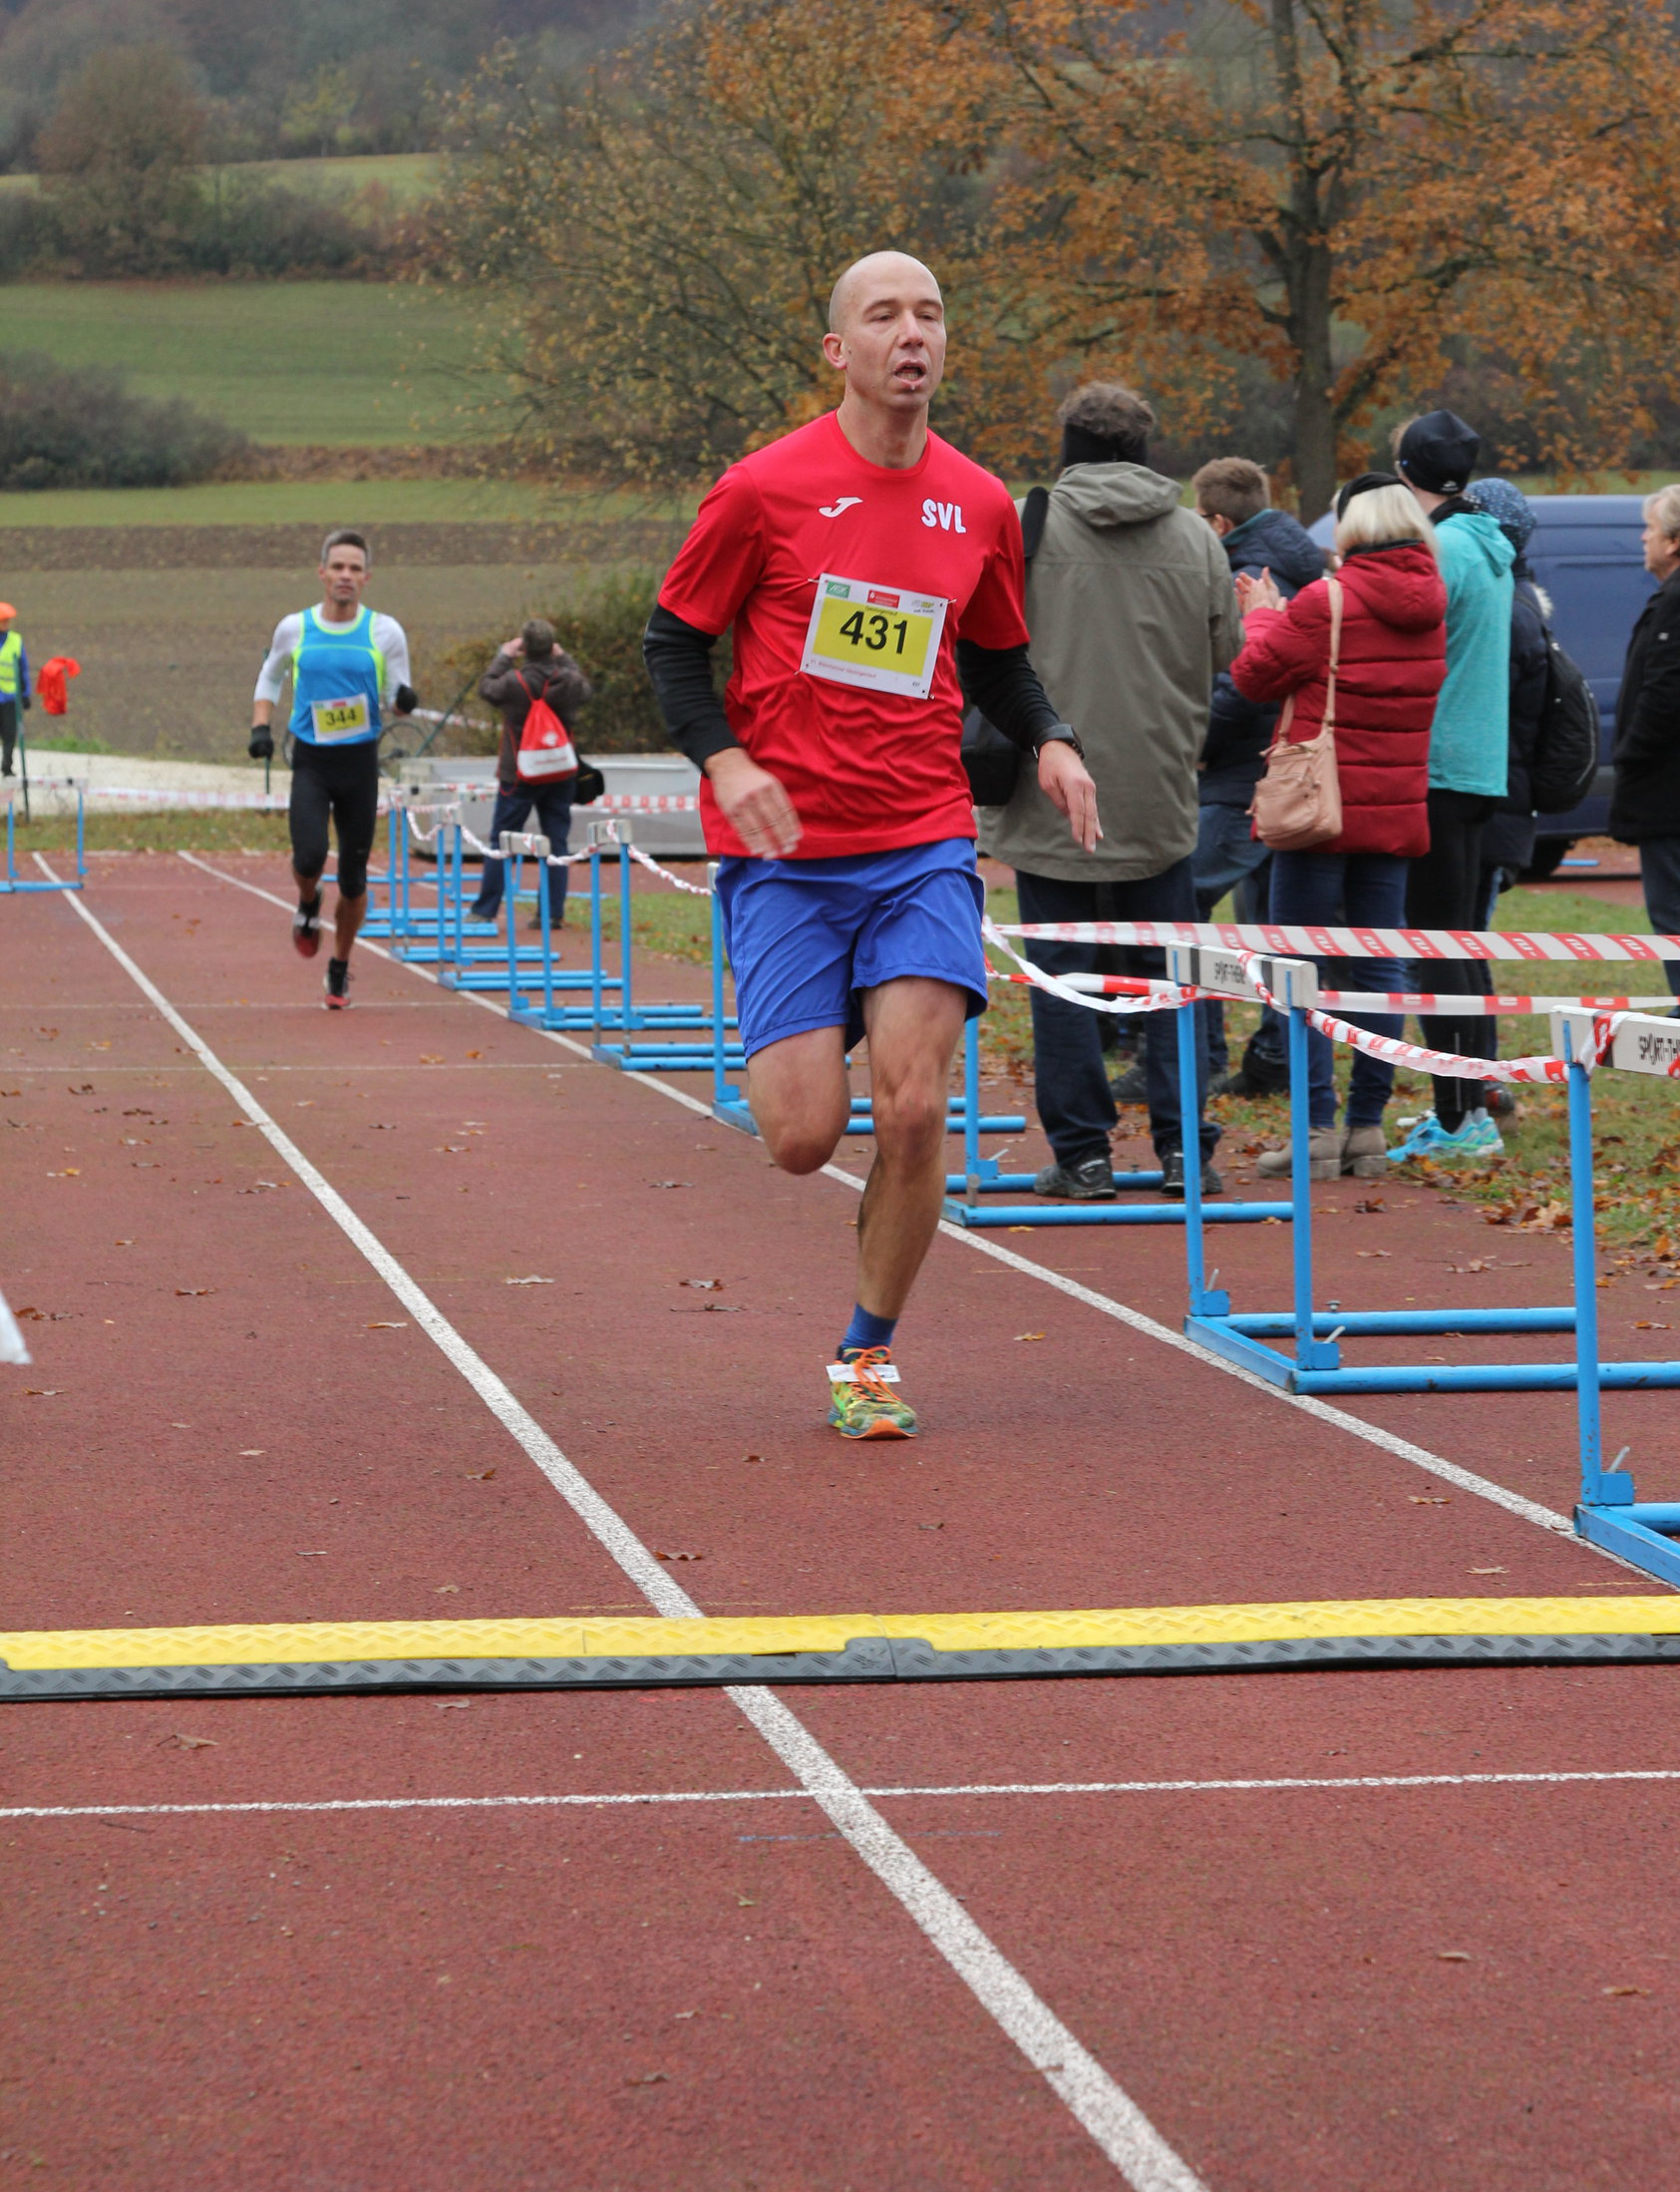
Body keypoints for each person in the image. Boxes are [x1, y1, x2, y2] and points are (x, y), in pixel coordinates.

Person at [643, 248, 1097, 1440]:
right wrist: (726, 761)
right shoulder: (761, 489)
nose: (913, 334)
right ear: (838, 352)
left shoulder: (981, 503)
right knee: (803, 1138)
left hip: (921, 839)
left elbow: (998, 658)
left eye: (930, 315)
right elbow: (672, 645)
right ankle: (827, 1008)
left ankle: (867, 1353)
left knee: (914, 1109)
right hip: (787, 851)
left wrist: (1051, 739)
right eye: (886, 315)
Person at [978, 385, 1238, 1202]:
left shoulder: (1025, 526)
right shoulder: (1196, 538)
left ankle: (1083, 1154)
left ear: (1069, 446)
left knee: (1061, 979)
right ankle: (1184, 1150)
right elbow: (1227, 651)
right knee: (1173, 978)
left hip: (1051, 785)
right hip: (1160, 789)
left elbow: (979, 644)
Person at [1229, 472, 1447, 1181]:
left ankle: (1315, 1127)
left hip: (1317, 807)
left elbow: (1254, 677)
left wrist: (1263, 615)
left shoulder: (1328, 600)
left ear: (1353, 528)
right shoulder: (1433, 606)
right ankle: (1367, 1127)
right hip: (1394, 804)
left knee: (1301, 967)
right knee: (1380, 967)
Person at [1385, 411, 1515, 1164]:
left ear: (1406, 473)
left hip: (1437, 764)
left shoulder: (1442, 550)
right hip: (1477, 765)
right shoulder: (1485, 542)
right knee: (1456, 943)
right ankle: (1467, 1107)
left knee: (1436, 949)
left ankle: (1459, 1118)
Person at [1190, 456, 1327, 1097]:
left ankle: (1198, 1055)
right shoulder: (1302, 563)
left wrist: (1196, 743)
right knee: (1275, 920)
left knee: (1182, 902)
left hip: (1243, 770)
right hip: (1287, 767)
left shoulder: (1245, 577)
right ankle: (1275, 1055)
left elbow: (1239, 681)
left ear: (1220, 522)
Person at [249, 530, 416, 1009]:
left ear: (366, 578)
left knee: (353, 877)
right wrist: (260, 726)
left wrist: (403, 703)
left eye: (354, 569)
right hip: (312, 760)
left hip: (359, 764)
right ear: (322, 573)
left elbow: (397, 696)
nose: (346, 575)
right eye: (338, 567)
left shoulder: (386, 632)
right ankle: (308, 902)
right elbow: (271, 675)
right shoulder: (294, 627)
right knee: (308, 857)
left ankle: (339, 966)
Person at [1608, 483, 1680, 1020]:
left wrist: (1631, 754)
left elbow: (1666, 692)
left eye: (1650, 529)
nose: (1643, 538)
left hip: (1677, 785)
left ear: (1675, 540)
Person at [1467, 479, 1550, 1131]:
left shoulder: (1507, 613)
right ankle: (1478, 1087)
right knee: (1464, 950)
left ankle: (1481, 1089)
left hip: (1490, 806)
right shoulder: (1521, 605)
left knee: (1462, 954)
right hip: (1501, 804)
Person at [468, 619, 591, 931]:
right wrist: (564, 659)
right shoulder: (568, 680)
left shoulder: (513, 682)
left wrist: (504, 656)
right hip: (560, 772)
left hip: (518, 774)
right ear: (551, 647)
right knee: (556, 842)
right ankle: (550, 913)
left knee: (502, 841)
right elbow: (585, 688)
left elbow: (486, 687)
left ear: (524, 647)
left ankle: (485, 910)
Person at [0, 602, 28, 778]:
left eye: (7, 620)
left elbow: (23, 669)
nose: (6, 624)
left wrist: (25, 694)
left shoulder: (16, 640)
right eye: (3, 621)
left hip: (10, 697)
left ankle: (7, 767)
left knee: (10, 734)